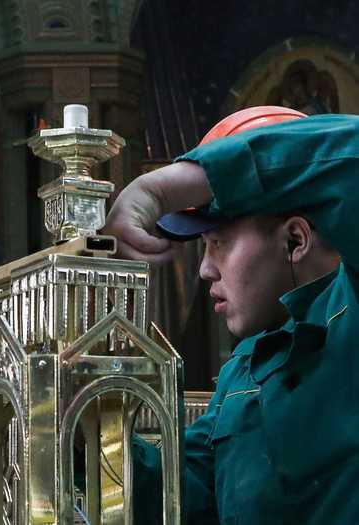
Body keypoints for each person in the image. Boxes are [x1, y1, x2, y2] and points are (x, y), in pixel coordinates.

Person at [103, 106, 359, 525]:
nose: (204, 268)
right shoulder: (245, 368)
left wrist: (166, 189)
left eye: (218, 242)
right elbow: (186, 487)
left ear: (295, 239)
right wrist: (82, 435)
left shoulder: (351, 313)